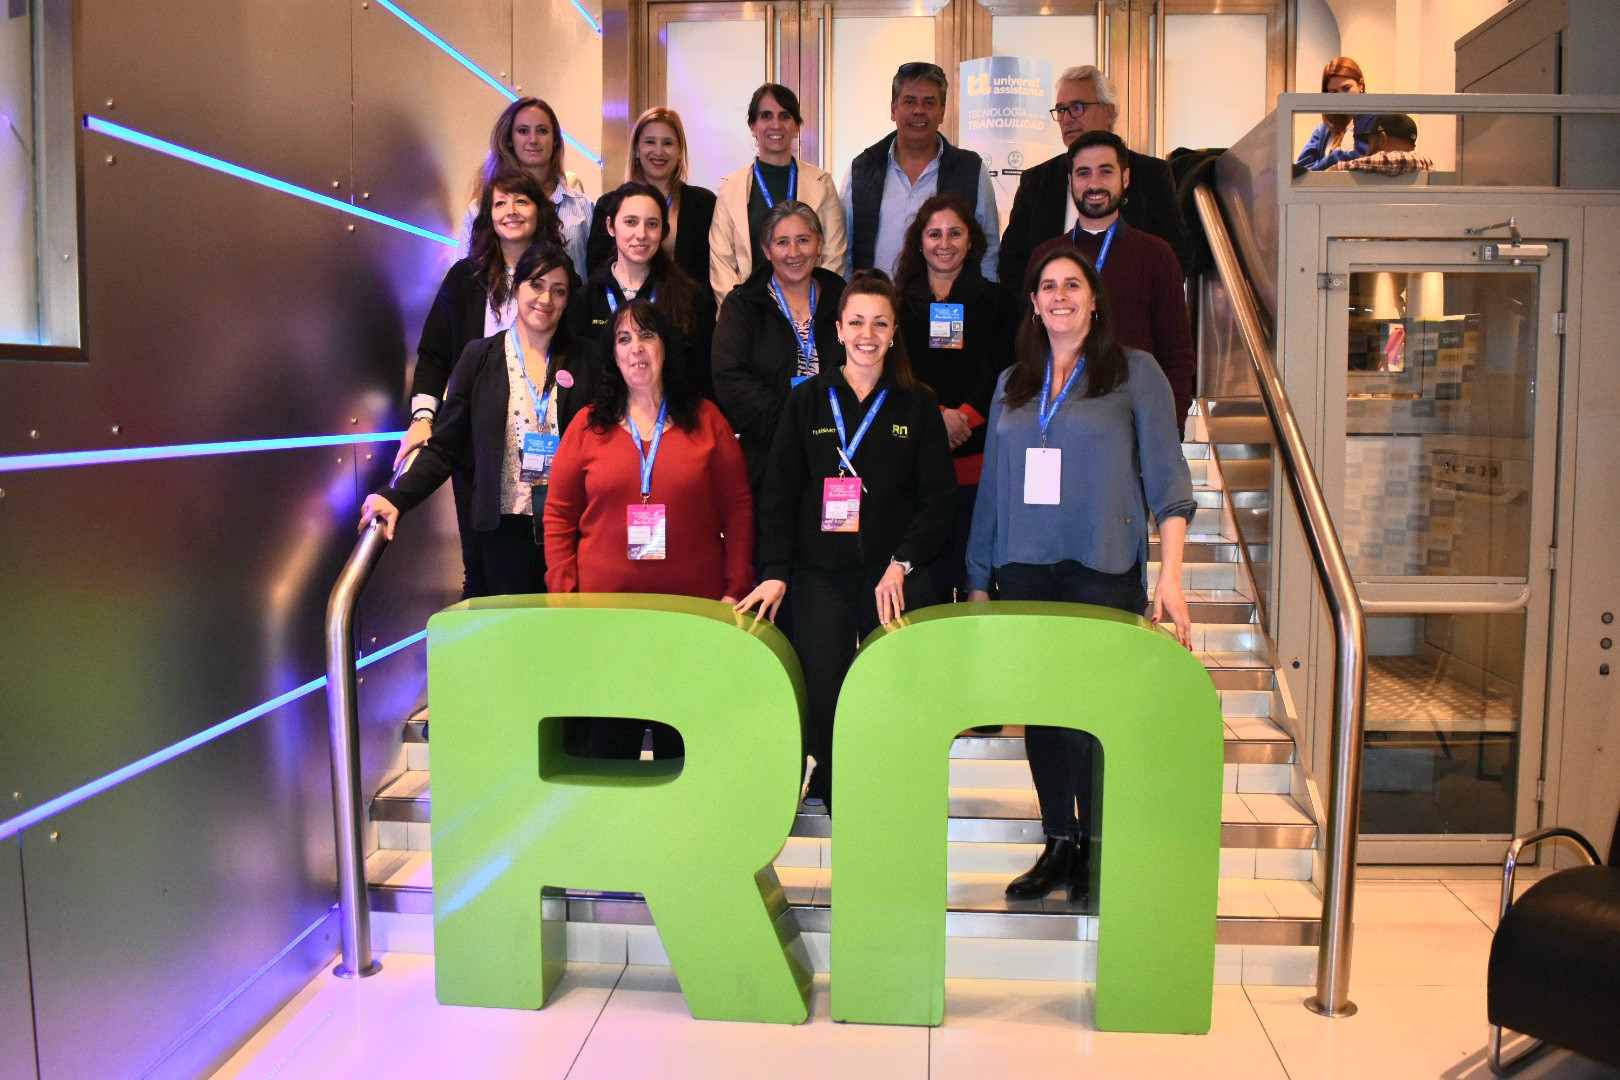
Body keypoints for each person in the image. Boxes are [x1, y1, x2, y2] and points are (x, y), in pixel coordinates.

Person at [965, 245, 1195, 902]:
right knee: (1043, 713)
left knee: (1094, 715)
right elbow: (994, 489)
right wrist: (979, 578)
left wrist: (1171, 577)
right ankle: (1058, 843)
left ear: (1094, 300)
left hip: (1102, 567)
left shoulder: (1136, 372)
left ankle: (1096, 845)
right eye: (1048, 286)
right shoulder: (1012, 382)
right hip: (1025, 570)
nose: (1060, 295)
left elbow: (1169, 478)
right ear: (1034, 304)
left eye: (1073, 284)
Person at [736, 270, 955, 810]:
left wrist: (902, 563)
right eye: (856, 322)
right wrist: (775, 571)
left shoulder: (917, 404)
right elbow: (780, 494)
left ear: (894, 331)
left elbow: (937, 501)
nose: (867, 334)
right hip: (820, 575)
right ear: (837, 329)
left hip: (891, 575)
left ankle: (889, 784)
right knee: (825, 686)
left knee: (894, 687)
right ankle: (833, 781)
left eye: (880, 323)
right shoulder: (807, 401)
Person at [544, 298, 754, 758]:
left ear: (665, 347)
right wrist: (565, 593)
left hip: (692, 618)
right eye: (623, 339)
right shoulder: (587, 426)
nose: (635, 348)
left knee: (685, 751)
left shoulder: (707, 420)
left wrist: (735, 588)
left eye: (646, 335)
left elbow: (738, 509)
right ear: (613, 355)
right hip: (608, 621)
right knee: (610, 751)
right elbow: (558, 514)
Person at [359, 244, 596, 596]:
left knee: (566, 627)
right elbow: (446, 446)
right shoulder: (479, 357)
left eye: (558, 290)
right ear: (517, 288)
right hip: (503, 530)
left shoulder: (586, 360)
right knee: (509, 625)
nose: (546, 299)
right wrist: (396, 496)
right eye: (536, 284)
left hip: (570, 529)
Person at [398, 169, 566, 596]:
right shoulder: (464, 278)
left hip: (545, 442)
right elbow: (434, 355)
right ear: (487, 214)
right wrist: (423, 418)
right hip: (478, 439)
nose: (511, 211)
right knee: (480, 567)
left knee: (550, 568)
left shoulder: (562, 279)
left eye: (521, 200)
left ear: (540, 211)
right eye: (500, 203)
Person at [893, 193, 1019, 601]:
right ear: (919, 242)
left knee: (976, 583)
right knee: (922, 589)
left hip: (980, 459)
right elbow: (897, 374)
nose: (944, 243)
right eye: (934, 234)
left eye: (955, 233)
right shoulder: (897, 304)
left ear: (971, 240)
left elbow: (1006, 370)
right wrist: (938, 416)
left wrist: (963, 416)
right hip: (916, 460)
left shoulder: (1000, 302)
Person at [1026, 131, 1196, 428]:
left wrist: (1171, 426)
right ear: (1070, 182)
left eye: (1106, 171)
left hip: (1132, 421)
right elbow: (1031, 344)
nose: (1094, 184)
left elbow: (1177, 354)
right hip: (1058, 420)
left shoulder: (1156, 255)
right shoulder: (1046, 256)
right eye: (1083, 173)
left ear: (1125, 178)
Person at [998, 64, 1193, 283]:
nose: (1067, 119)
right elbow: (1012, 263)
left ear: (1109, 112)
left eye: (1077, 107)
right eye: (1061, 110)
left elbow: (1177, 255)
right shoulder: (1037, 180)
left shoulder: (1150, 173)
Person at [711, 200, 847, 495]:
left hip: (840, 450)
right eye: (782, 242)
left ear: (820, 244)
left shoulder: (844, 299)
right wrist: (789, 425)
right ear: (767, 249)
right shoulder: (743, 305)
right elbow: (729, 375)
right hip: (769, 455)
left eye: (803, 240)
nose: (794, 252)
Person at [841, 62, 1001, 282]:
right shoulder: (862, 170)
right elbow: (846, 249)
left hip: (949, 300)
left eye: (929, 102)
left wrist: (984, 296)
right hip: (876, 300)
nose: (919, 110)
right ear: (893, 109)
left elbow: (988, 249)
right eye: (909, 101)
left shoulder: (971, 170)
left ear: (942, 112)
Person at [571, 182, 717, 398]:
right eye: (630, 222)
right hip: (603, 413)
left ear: (663, 231)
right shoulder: (585, 300)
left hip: (671, 413)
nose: (641, 234)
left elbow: (702, 379)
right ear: (610, 226)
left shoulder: (690, 298)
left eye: (652, 224)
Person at [709, 84, 847, 306]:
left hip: (810, 311)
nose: (776, 124)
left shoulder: (822, 184)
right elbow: (722, 263)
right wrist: (740, 312)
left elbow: (834, 258)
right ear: (753, 126)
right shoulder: (730, 187)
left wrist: (810, 309)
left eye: (785, 116)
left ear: (797, 126)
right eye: (766, 116)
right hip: (749, 312)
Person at [459, 97, 593, 276]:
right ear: (509, 140)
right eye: (523, 131)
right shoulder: (479, 209)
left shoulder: (583, 207)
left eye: (542, 131)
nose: (533, 139)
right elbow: (465, 279)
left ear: (555, 140)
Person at [586, 107, 716, 287]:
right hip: (626, 304)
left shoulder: (704, 204)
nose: (659, 151)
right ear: (637, 149)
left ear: (680, 151)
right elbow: (597, 271)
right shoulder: (608, 204)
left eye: (668, 143)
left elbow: (712, 272)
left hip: (687, 303)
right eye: (650, 142)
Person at [1296, 57, 1375, 172]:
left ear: (1361, 85)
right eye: (1334, 92)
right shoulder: (1324, 129)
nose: (1341, 97)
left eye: (1346, 88)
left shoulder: (1374, 120)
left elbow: (1363, 157)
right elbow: (1303, 168)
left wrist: (1329, 160)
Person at [1327, 113, 1434, 175]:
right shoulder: (1420, 166)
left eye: (1370, 142)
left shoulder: (1416, 161)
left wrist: (1339, 167)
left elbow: (1397, 160)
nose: (1367, 152)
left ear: (1382, 139)